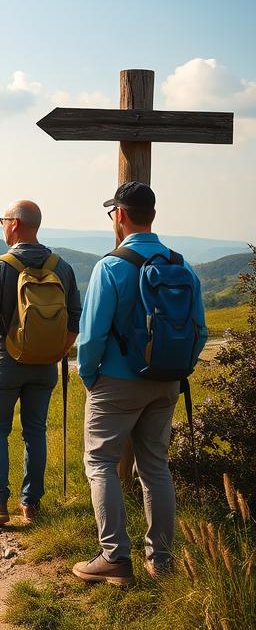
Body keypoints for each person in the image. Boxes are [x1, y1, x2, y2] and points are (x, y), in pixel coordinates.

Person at [72, 182, 208, 586]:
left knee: (99, 463)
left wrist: (89, 375)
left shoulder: (111, 266)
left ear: (120, 215)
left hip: (116, 382)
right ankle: (161, 559)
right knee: (155, 467)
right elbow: (199, 331)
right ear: (151, 214)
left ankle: (115, 557)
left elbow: (92, 334)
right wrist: (178, 367)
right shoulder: (181, 266)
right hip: (167, 382)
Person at [0, 200, 81, 526]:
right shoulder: (61, 267)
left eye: (3, 220)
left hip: (5, 363)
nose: (2, 225)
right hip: (44, 365)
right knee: (35, 431)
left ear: (15, 224)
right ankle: (30, 506)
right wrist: (59, 350)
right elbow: (75, 317)